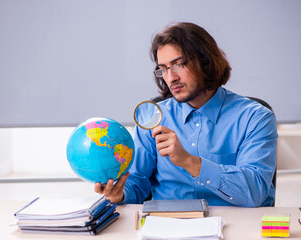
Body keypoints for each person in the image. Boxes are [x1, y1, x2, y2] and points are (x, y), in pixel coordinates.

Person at [94, 22, 277, 207]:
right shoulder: (152, 118)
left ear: (206, 61)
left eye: (178, 64)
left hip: (233, 228)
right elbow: (137, 182)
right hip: (167, 227)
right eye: (163, 68)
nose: (171, 77)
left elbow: (255, 192)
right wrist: (120, 194)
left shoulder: (256, 118)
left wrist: (190, 162)